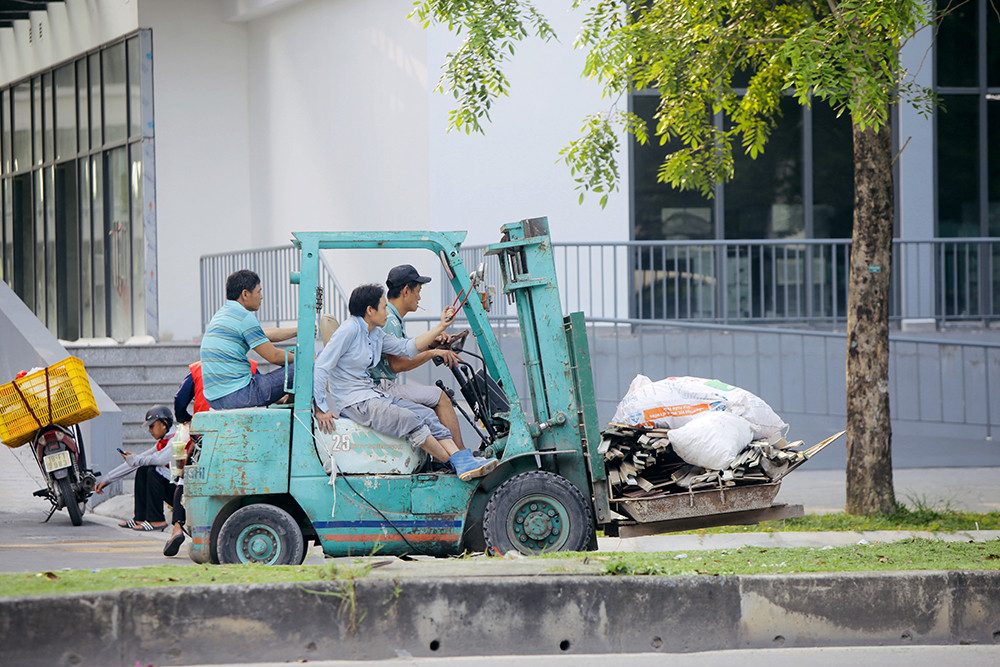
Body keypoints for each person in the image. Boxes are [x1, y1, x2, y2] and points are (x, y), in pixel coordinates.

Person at [313, 284, 497, 481]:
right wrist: (321, 408)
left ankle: (463, 460)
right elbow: (321, 366)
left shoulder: (374, 333)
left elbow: (406, 348)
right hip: (356, 403)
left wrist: (441, 326)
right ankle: (455, 464)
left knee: (426, 413)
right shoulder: (349, 330)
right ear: (370, 310)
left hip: (372, 395)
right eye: (383, 307)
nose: (386, 312)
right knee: (409, 419)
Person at [369, 264, 467, 450]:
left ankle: (443, 457)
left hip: (382, 386)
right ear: (406, 290)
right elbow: (397, 365)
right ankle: (461, 454)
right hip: (381, 388)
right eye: (418, 291)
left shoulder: (391, 317)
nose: (420, 297)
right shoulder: (389, 320)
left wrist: (432, 344)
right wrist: (433, 352)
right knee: (440, 396)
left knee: (431, 399)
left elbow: (406, 348)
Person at [200, 269, 297, 410]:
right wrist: (311, 360)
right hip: (239, 395)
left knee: (293, 360)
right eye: (259, 292)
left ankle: (288, 398)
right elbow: (274, 356)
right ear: (245, 294)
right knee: (305, 368)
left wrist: (297, 330)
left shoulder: (223, 314)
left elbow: (265, 334)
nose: (262, 297)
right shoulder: (245, 317)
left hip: (216, 399)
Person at [94, 405, 177, 532]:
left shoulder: (176, 440)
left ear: (164, 424)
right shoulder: (162, 442)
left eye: (152, 426)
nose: (150, 430)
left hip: (180, 493)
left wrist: (136, 459)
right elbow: (137, 462)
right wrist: (107, 479)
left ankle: (157, 520)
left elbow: (159, 459)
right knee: (143, 469)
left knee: (152, 471)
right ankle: (140, 518)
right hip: (172, 487)